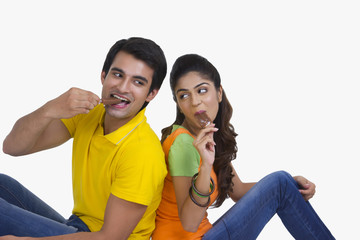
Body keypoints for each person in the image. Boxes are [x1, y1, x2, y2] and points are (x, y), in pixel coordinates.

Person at [152, 54, 335, 240]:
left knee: (283, 181)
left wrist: (292, 185)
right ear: (179, 105)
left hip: (206, 235)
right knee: (279, 182)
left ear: (219, 92)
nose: (194, 102)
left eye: (202, 90)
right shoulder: (183, 143)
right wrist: (206, 167)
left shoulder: (204, 137)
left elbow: (237, 191)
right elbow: (189, 223)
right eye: (184, 95)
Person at [1, 37, 168, 239]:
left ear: (151, 94)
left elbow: (110, 238)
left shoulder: (143, 153)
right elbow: (12, 146)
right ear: (103, 76)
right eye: (117, 74)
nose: (123, 88)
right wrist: (50, 109)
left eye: (138, 82)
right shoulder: (89, 114)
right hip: (79, 227)